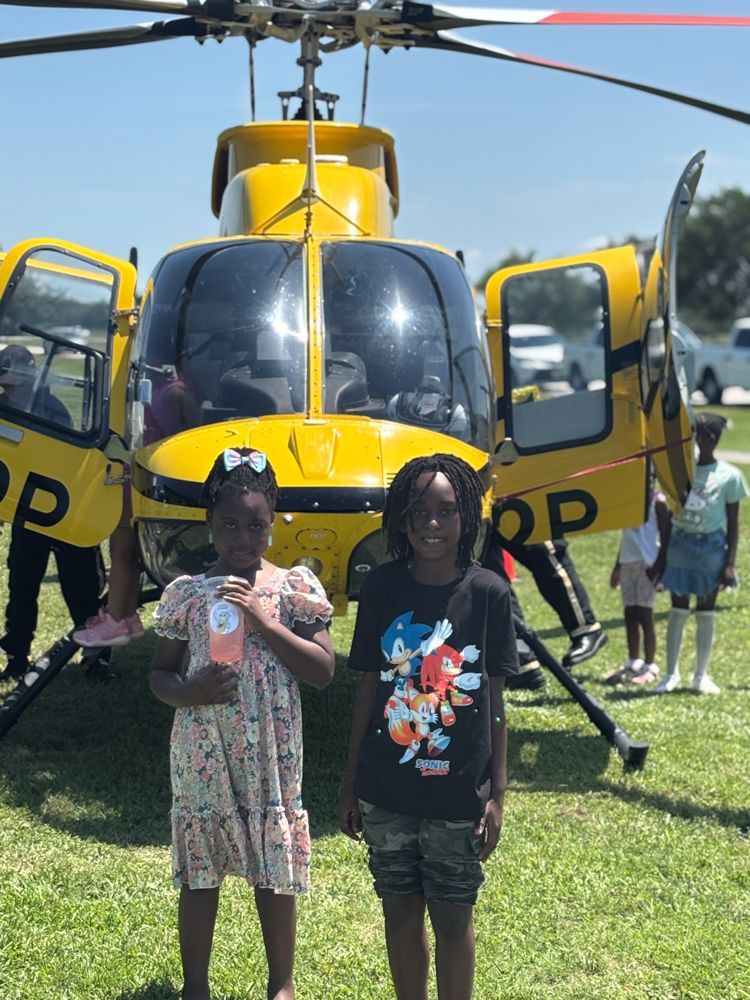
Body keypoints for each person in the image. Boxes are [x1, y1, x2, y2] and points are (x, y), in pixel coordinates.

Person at [149, 447, 334, 1000]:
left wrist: (259, 616)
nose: (242, 538)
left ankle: (282, 984)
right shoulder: (186, 593)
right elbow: (160, 675)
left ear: (273, 524)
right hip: (203, 744)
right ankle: (195, 986)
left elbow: (322, 670)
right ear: (209, 523)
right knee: (201, 863)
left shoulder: (293, 587)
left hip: (271, 749)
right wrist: (189, 691)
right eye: (229, 524)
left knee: (271, 864)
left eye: (256, 525)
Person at [338, 453, 518, 1000]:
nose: (432, 524)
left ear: (468, 517)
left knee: (453, 918)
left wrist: (499, 794)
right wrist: (350, 783)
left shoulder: (489, 593)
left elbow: (493, 699)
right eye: (418, 512)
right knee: (398, 914)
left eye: (446, 511)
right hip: (386, 791)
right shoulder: (381, 588)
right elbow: (368, 688)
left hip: (459, 794)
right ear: (400, 518)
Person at [0, 345, 110, 680]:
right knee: (22, 585)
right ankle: (17, 655)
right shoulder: (3, 409)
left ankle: (97, 657)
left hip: (66, 513)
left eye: (8, 369)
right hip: (27, 512)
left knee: (81, 589)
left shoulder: (51, 408)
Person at [651, 412, 748, 695]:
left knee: (706, 611)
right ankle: (671, 674)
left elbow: (733, 523)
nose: (696, 440)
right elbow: (668, 516)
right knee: (678, 609)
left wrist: (730, 563)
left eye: (701, 435)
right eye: (693, 434)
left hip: (711, 549)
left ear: (712, 440)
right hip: (681, 544)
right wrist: (662, 557)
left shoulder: (730, 476)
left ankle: (700, 675)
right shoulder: (682, 472)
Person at [605, 484, 670, 685]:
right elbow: (627, 536)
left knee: (645, 614)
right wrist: (617, 566)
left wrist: (659, 566)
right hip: (628, 562)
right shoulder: (629, 499)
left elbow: (667, 536)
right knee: (630, 612)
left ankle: (650, 665)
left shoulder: (657, 501)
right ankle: (634, 660)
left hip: (647, 563)